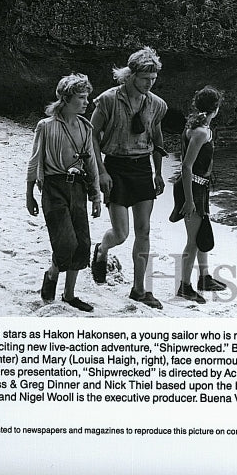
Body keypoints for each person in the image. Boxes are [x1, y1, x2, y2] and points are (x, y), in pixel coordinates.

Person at [90, 47, 168, 309]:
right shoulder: (108, 100)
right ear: (131, 74)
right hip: (116, 167)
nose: (150, 83)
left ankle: (139, 289)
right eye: (146, 78)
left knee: (143, 231)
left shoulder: (156, 104)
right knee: (122, 233)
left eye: (154, 79)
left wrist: (158, 172)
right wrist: (100, 171)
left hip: (143, 168)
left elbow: (157, 140)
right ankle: (101, 249)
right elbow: (92, 135)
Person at [26, 73, 102, 312]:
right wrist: (29, 195)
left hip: (78, 187)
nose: (86, 102)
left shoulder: (86, 127)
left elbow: (91, 165)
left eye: (87, 97)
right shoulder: (46, 126)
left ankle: (69, 294)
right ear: (66, 99)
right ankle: (51, 273)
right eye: (81, 97)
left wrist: (96, 195)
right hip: (54, 188)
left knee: (82, 244)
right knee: (65, 243)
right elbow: (34, 161)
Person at [172, 86, 226, 304]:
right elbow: (186, 167)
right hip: (192, 188)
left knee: (202, 231)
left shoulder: (198, 126)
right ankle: (184, 287)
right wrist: (190, 200)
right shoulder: (201, 131)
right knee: (193, 241)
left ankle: (204, 278)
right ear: (217, 109)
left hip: (200, 187)